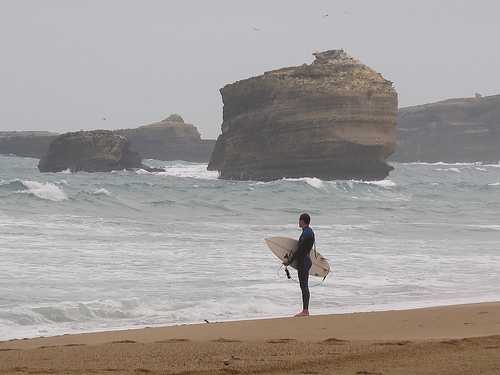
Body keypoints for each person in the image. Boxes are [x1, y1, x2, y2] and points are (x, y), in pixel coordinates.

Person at [284, 213, 315, 317]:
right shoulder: (308, 232)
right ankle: (305, 310)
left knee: (304, 286)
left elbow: (299, 251)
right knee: (303, 286)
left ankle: (305, 311)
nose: (298, 222)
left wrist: (289, 261)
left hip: (304, 262)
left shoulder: (306, 233)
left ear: (303, 221)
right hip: (306, 261)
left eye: (299, 220)